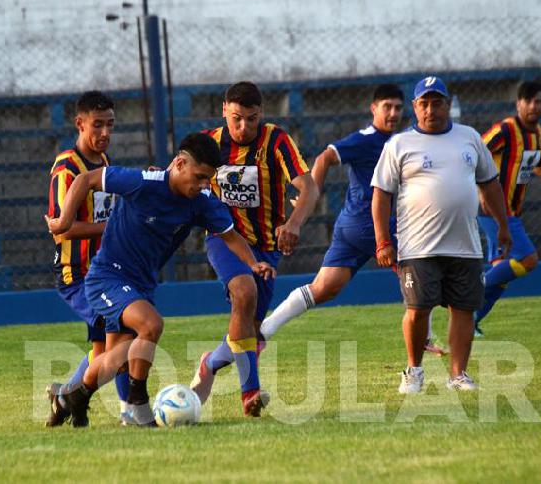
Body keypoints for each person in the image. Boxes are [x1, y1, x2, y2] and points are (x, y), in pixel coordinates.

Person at [46, 133, 276, 427]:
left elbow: (231, 237)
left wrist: (253, 263)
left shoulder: (202, 202)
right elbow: (85, 180)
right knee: (152, 324)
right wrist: (64, 221)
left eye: (209, 179)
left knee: (115, 358)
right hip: (106, 277)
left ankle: (68, 399)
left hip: (141, 284)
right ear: (179, 163)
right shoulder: (142, 182)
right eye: (199, 177)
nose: (204, 185)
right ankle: (139, 404)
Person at [257, 84, 447, 357]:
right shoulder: (366, 139)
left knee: (324, 288)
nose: (393, 113)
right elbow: (325, 157)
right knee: (423, 271)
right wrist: (312, 194)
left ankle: (264, 330)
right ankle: (425, 337)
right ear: (373, 109)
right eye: (386, 107)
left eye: (397, 107)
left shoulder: (400, 140)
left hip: (350, 227)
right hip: (370, 224)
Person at [370, 76, 512, 393]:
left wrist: (503, 225)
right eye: (424, 103)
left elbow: (489, 184)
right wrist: (383, 241)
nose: (430, 109)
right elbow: (381, 195)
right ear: (415, 107)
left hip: (465, 245)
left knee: (463, 309)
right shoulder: (400, 144)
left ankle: (458, 374)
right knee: (418, 309)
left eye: (437, 102)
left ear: (448, 105)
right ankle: (414, 370)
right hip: (417, 247)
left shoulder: (470, 138)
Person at [188, 81, 319, 417]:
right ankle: (250, 394)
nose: (244, 127)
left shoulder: (276, 139)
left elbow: (309, 187)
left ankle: (210, 363)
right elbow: (183, 179)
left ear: (261, 115)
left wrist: (293, 223)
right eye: (236, 119)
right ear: (223, 112)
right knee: (244, 295)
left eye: (251, 118)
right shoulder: (210, 143)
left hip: (266, 247)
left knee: (250, 331)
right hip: (224, 240)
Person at [42, 91, 131, 426]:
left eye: (110, 125)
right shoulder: (67, 169)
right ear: (79, 124)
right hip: (76, 274)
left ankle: (65, 397)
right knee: (123, 332)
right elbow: (60, 229)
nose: (105, 132)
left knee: (101, 352)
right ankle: (129, 410)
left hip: (104, 274)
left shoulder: (104, 164)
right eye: (98, 125)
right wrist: (108, 227)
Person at [473, 80, 541, 336]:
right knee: (528, 259)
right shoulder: (505, 130)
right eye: (527, 101)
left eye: (538, 101)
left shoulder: (537, 133)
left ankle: (471, 320)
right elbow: (474, 154)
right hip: (493, 209)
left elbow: (538, 167)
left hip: (513, 212)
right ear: (518, 104)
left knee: (504, 272)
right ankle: (472, 292)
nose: (533, 106)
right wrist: (480, 190)